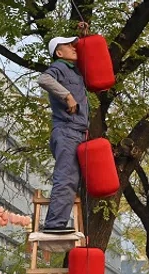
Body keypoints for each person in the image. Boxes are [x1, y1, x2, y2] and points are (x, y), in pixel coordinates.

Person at [37, 35, 89, 234]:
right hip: (67, 131)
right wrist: (67, 96)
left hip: (76, 133)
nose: (72, 47)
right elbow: (44, 78)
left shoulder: (74, 72)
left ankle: (57, 221)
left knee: (72, 180)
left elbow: (87, 52)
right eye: (67, 45)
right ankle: (54, 225)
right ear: (59, 53)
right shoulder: (59, 67)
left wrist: (84, 35)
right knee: (65, 178)